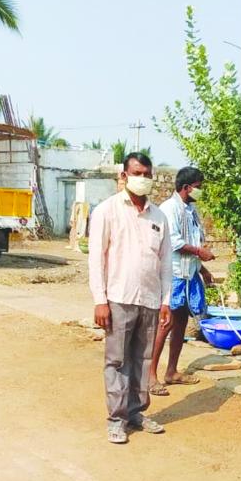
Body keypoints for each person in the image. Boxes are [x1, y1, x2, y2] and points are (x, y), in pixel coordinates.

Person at [88, 152, 172, 444]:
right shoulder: (107, 211)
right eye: (137, 173)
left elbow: (165, 263)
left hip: (149, 299)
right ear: (123, 176)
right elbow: (96, 259)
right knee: (117, 360)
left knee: (143, 358)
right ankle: (116, 419)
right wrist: (100, 300)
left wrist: (166, 301)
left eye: (147, 174)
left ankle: (136, 413)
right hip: (119, 298)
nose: (143, 179)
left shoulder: (158, 216)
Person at [148, 166, 216, 395]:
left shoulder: (190, 210)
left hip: (189, 274)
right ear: (187, 187)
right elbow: (175, 242)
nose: (201, 191)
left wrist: (203, 269)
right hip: (174, 275)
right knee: (165, 324)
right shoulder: (169, 209)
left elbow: (192, 241)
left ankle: (172, 371)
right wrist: (200, 252)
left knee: (180, 324)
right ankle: (150, 376)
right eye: (199, 187)